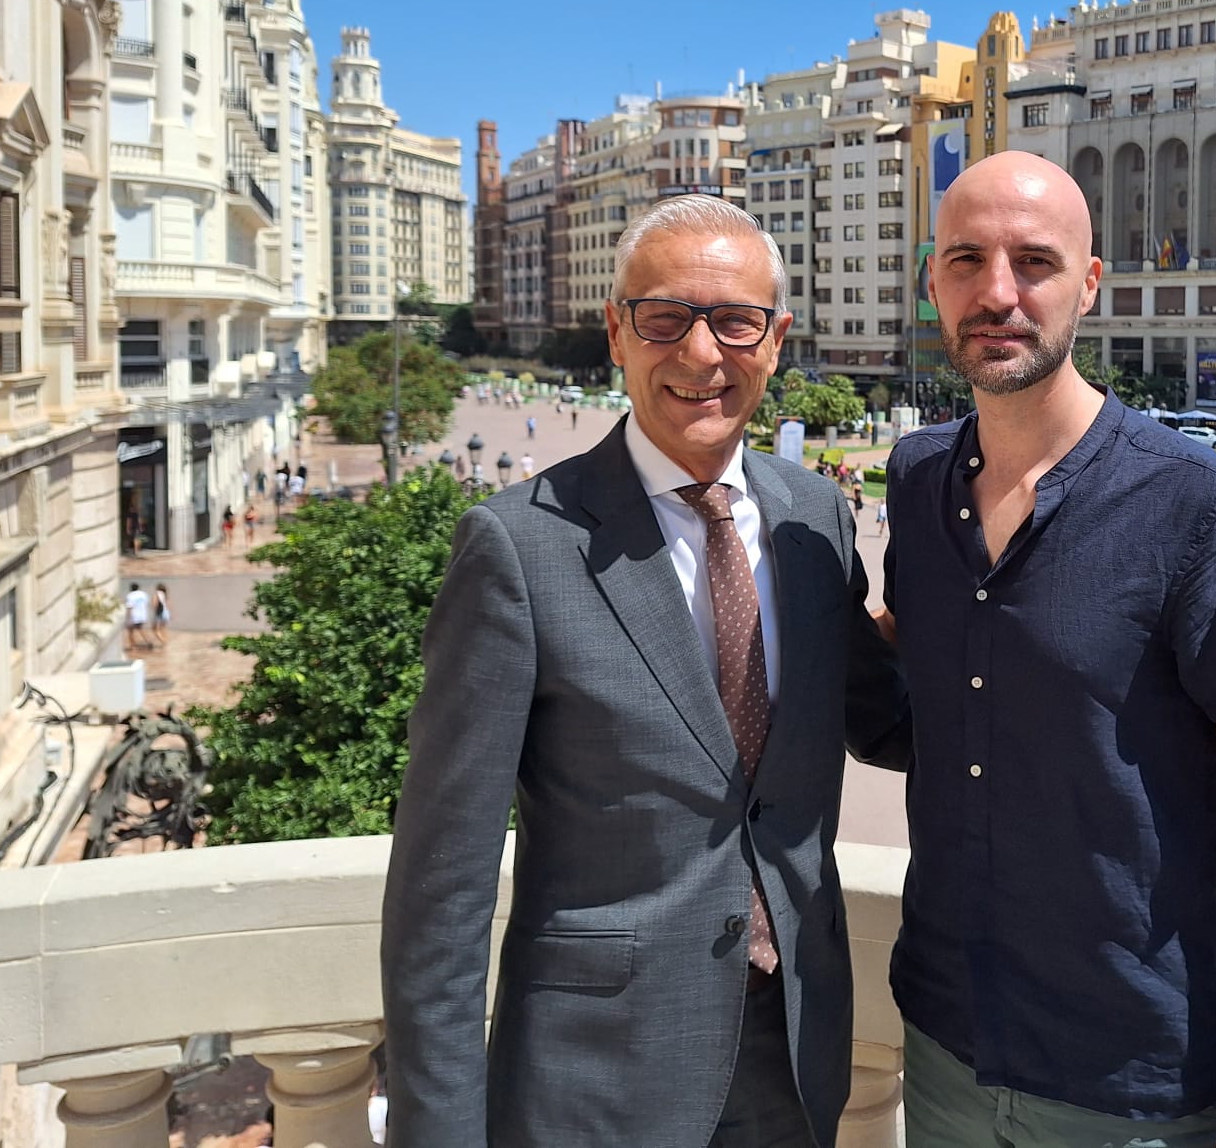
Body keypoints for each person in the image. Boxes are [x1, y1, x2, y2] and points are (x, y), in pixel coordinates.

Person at [383, 195, 911, 1148]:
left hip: (795, 1046)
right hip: (597, 1074)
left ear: (777, 339)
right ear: (617, 333)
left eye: (735, 321)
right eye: (665, 319)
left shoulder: (814, 520)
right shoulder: (520, 547)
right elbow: (441, 884)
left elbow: (881, 718)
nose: (702, 355)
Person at [883, 152, 1216, 1148]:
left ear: (1090, 286)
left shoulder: (1204, 509)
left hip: (1127, 1089)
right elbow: (929, 689)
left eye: (1034, 262)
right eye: (966, 260)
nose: (997, 292)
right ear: (933, 283)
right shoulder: (916, 483)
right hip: (943, 1041)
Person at [123, 582, 150, 652]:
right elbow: (147, 603)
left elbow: (129, 607)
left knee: (130, 631)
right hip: (143, 615)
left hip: (134, 615)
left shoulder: (130, 595)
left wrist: (127, 618)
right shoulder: (143, 594)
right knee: (140, 629)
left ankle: (133, 647)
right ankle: (148, 641)